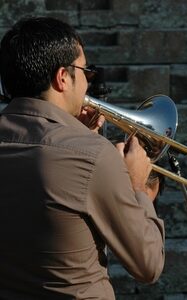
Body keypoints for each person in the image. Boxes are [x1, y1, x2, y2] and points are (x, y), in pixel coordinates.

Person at [0, 17, 165, 299]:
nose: (88, 83)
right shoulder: (93, 155)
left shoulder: (86, 151)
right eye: (85, 71)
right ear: (63, 77)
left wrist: (77, 134)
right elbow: (147, 265)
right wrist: (137, 187)